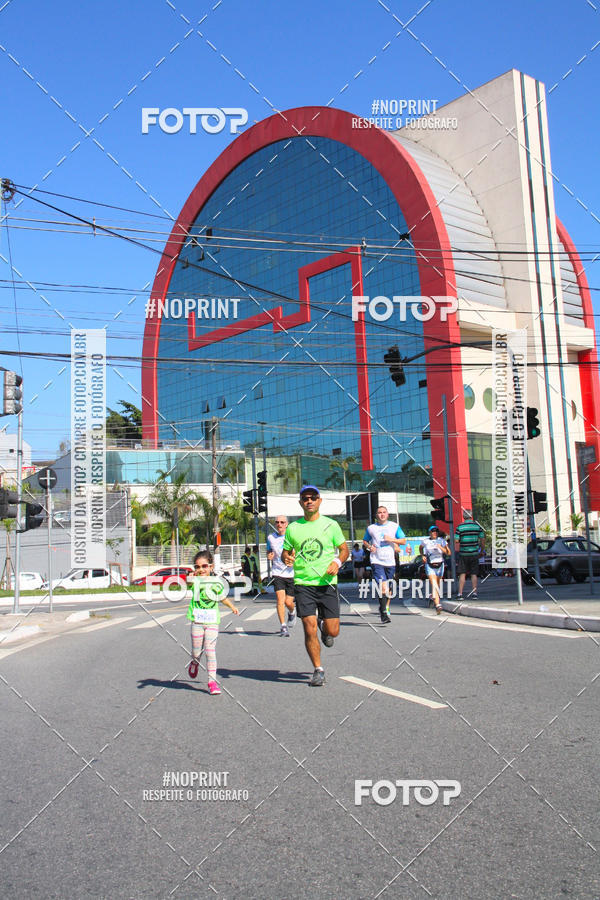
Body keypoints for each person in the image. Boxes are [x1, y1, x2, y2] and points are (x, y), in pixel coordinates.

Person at [281, 485, 349, 687]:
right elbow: (286, 552)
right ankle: (318, 670)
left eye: (313, 497)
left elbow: (344, 550)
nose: (309, 500)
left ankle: (325, 628)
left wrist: (337, 563)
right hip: (303, 584)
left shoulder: (331, 525)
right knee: (308, 629)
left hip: (327, 584)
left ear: (320, 501)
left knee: (333, 630)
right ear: (300, 502)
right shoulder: (293, 528)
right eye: (305, 498)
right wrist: (287, 557)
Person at [187, 550, 239, 695]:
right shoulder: (194, 580)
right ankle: (194, 662)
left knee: (210, 652)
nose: (201, 569)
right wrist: (190, 577)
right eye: (197, 567)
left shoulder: (216, 582)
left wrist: (232, 607)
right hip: (197, 622)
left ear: (211, 567)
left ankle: (212, 682)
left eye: (204, 566)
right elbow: (187, 582)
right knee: (197, 653)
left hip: (212, 622)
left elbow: (222, 597)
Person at [363, 506, 406, 624]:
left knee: (388, 589)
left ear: (387, 514)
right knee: (383, 587)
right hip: (376, 561)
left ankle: (382, 607)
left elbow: (403, 540)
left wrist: (391, 539)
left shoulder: (394, 526)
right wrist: (370, 547)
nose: (382, 514)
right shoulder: (371, 528)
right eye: (379, 513)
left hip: (390, 561)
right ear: (376, 515)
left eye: (384, 512)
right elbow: (365, 541)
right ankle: (383, 613)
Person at [267, 515, 296, 637]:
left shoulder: (292, 537)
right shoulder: (271, 538)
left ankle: (292, 611)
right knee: (280, 600)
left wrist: (293, 559)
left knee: (288, 602)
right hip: (277, 573)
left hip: (291, 573)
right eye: (277, 522)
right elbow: (269, 551)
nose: (279, 524)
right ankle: (283, 626)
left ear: (287, 524)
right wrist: (269, 555)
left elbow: (298, 553)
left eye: (282, 522)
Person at [455, 510, 485, 600]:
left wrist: (462, 540)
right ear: (471, 516)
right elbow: (482, 539)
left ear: (464, 517)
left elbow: (456, 540)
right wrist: (481, 551)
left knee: (462, 573)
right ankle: (474, 593)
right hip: (474, 553)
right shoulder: (477, 526)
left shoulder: (460, 527)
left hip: (464, 553)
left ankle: (460, 594)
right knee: (474, 573)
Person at [420, 525, 451, 613]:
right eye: (433, 531)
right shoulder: (425, 541)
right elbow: (420, 548)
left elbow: (449, 553)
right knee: (434, 585)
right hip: (430, 565)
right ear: (429, 532)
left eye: (436, 531)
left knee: (437, 585)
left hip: (440, 564)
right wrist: (422, 555)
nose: (435, 533)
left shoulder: (441, 541)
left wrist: (441, 547)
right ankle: (438, 605)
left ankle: (431, 597)